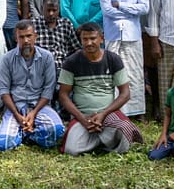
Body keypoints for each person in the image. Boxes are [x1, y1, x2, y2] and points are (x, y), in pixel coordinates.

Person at [60, 23, 140, 156]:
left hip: (108, 113)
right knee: (70, 150)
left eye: (93, 38)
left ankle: (94, 142)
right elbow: (63, 95)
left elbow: (125, 94)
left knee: (126, 133)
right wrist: (82, 119)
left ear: (101, 38)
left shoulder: (113, 59)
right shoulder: (71, 61)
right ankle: (102, 142)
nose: (89, 43)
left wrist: (103, 114)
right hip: (83, 115)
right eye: (85, 39)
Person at [0, 21, 64, 152]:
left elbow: (48, 90)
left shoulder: (47, 57)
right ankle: (24, 129)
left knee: (57, 130)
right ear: (16, 38)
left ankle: (27, 134)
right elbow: (4, 91)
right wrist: (16, 114)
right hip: (16, 108)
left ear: (35, 36)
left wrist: (34, 112)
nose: (26, 40)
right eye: (21, 37)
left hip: (39, 106)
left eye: (29, 36)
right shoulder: (7, 59)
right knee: (2, 145)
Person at [98, 0, 149, 119]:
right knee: (113, 73)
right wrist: (129, 10)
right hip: (112, 34)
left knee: (134, 72)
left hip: (132, 35)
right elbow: (106, 10)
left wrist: (120, 5)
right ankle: (115, 111)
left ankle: (137, 111)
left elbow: (144, 8)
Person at [31, 0, 80, 80]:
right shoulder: (34, 24)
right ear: (42, 8)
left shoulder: (66, 24)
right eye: (48, 10)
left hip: (61, 69)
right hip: (39, 69)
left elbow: (76, 49)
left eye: (54, 10)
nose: (51, 14)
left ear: (59, 9)